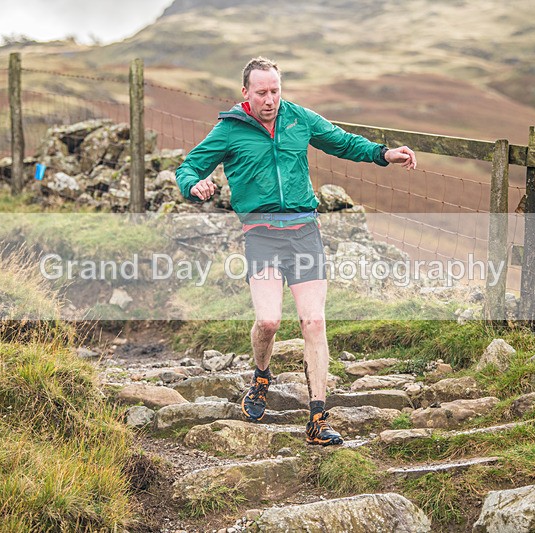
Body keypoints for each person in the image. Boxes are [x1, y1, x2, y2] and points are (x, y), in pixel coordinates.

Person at [176, 57, 416, 446]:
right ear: (246, 93)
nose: (270, 100)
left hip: (304, 232)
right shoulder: (229, 130)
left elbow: (342, 141)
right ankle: (261, 377)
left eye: (275, 91)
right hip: (262, 235)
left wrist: (383, 154)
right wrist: (193, 185)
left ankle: (318, 418)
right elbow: (189, 167)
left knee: (314, 322)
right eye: (262, 93)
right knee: (269, 321)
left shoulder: (298, 118)